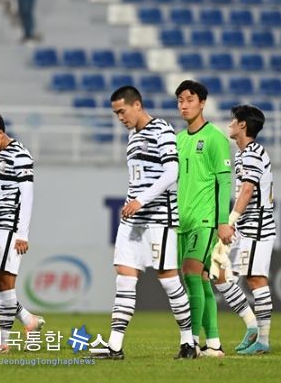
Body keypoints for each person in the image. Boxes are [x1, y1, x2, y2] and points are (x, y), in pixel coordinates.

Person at [90, 86, 195, 360]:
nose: (120, 117)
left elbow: (172, 172)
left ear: (137, 105)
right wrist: (132, 203)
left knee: (169, 281)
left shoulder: (162, 129)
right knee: (124, 278)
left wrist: (141, 200)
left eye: (122, 111)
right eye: (116, 113)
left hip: (160, 218)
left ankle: (188, 342)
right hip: (133, 221)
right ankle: (114, 346)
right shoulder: (132, 136)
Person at [0, 111, 45, 354]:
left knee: (5, 282)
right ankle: (28, 320)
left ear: (0, 133)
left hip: (9, 227)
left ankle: (3, 343)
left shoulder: (20, 155)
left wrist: (23, 233)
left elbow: (27, 196)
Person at [175, 80, 232, 357]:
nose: (184, 105)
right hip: (182, 222)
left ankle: (191, 343)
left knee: (190, 273)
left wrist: (223, 221)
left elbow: (225, 182)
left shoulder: (215, 138)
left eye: (189, 100)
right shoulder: (179, 139)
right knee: (199, 279)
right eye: (180, 101)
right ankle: (214, 344)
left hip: (205, 220)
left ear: (202, 103)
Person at [213, 105, 275, 355]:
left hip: (258, 225)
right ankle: (251, 325)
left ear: (242, 125)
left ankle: (263, 341)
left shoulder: (252, 153)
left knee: (256, 279)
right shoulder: (243, 154)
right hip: (245, 225)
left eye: (233, 120)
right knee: (218, 272)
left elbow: (248, 189)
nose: (230, 124)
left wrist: (230, 220)